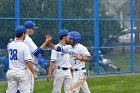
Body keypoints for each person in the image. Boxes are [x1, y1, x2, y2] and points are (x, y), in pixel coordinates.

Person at [6, 25, 38, 93]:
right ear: (23, 34)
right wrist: (34, 73)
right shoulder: (24, 46)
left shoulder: (10, 45)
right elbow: (28, 62)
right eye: (25, 33)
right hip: (21, 72)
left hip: (11, 72)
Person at [23, 21, 49, 92]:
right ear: (28, 29)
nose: (34, 30)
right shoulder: (27, 38)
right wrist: (46, 42)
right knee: (28, 89)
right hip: (27, 66)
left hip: (17, 66)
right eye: (33, 29)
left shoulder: (16, 38)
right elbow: (37, 52)